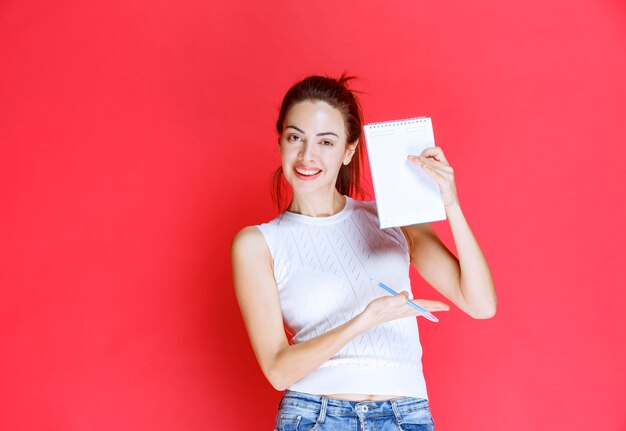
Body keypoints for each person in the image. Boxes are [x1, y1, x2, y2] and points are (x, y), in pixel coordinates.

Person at [231, 74, 497, 431]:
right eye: (296, 137)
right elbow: (279, 370)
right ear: (280, 141)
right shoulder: (258, 243)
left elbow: (481, 304)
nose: (307, 155)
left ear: (349, 150)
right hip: (315, 417)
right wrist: (366, 319)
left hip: (406, 415)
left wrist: (451, 203)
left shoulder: (391, 219)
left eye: (326, 142)